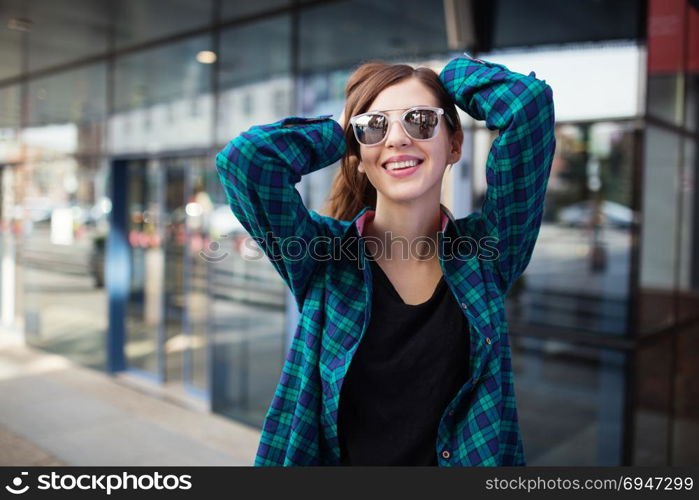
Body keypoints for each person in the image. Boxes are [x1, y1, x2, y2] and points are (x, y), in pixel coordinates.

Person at [215, 53, 556, 466]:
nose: (396, 139)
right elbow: (246, 161)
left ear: (454, 144)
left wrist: (450, 74)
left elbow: (527, 105)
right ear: (356, 152)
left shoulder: (488, 253)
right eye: (375, 127)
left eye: (420, 120)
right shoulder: (322, 257)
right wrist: (344, 133)